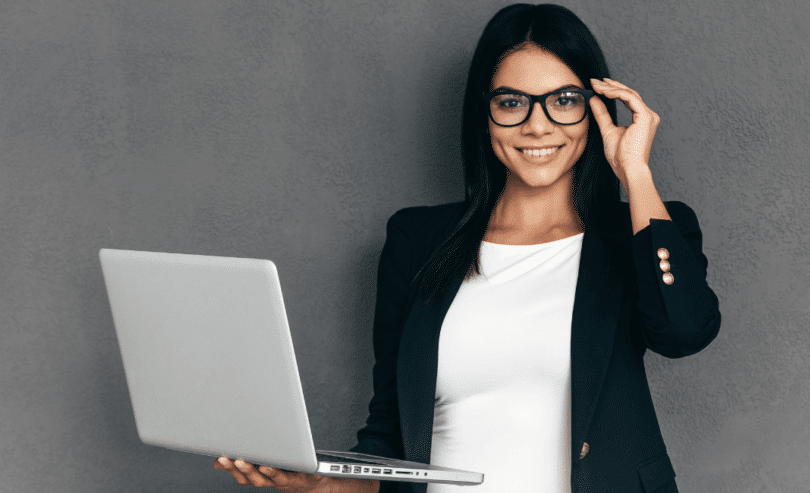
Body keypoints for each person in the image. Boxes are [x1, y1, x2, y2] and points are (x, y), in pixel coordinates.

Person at [215, 3, 721, 492]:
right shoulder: (417, 241)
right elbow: (393, 443)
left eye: (564, 101)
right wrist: (322, 486)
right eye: (511, 102)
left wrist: (636, 174)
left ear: (595, 112)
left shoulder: (639, 231)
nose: (537, 125)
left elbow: (684, 331)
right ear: (485, 114)